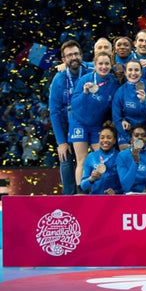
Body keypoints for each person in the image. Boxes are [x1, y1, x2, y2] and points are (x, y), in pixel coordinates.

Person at [70, 51, 120, 190]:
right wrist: (85, 93)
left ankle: (104, 190)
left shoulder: (113, 84)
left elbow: (113, 107)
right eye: (100, 64)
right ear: (95, 65)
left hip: (97, 124)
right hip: (79, 122)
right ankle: (81, 192)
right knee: (82, 159)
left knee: (104, 157)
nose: (103, 66)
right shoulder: (85, 80)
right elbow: (74, 104)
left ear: (111, 65)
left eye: (106, 64)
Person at [49, 40, 93, 195]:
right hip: (67, 123)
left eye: (76, 54)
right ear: (64, 60)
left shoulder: (91, 70)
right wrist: (61, 142)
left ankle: (94, 195)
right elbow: (53, 112)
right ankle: (69, 198)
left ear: (81, 56)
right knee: (65, 157)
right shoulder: (58, 80)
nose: (73, 57)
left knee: (93, 158)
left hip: (90, 120)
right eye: (69, 55)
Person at [112, 60, 146, 150]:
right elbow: (116, 118)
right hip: (128, 129)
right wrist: (129, 138)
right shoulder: (120, 91)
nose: (133, 73)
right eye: (130, 70)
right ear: (125, 73)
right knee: (127, 153)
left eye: (136, 70)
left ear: (141, 73)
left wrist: (144, 102)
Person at [80, 121, 122, 195]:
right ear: (99, 141)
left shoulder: (121, 157)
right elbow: (83, 186)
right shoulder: (91, 157)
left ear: (115, 141)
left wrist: (116, 192)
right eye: (102, 138)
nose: (105, 140)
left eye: (109, 137)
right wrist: (91, 178)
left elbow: (126, 184)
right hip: (95, 198)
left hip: (115, 199)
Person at [116, 124, 146, 193]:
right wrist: (135, 162)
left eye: (143, 136)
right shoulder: (122, 156)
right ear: (131, 139)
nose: (140, 138)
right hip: (131, 194)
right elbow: (125, 186)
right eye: (136, 135)